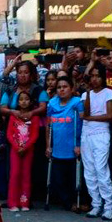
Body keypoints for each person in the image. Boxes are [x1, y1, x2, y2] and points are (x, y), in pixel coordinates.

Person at [79, 62, 112, 220]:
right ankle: (96, 204)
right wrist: (87, 93)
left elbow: (109, 115)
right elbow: (85, 112)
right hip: (86, 133)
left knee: (101, 169)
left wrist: (90, 118)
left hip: (101, 134)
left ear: (103, 77)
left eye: (98, 76)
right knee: (89, 171)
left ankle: (109, 205)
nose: (95, 79)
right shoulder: (86, 94)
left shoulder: (108, 93)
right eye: (92, 76)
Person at [45, 75, 82, 212]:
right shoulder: (52, 103)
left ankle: (75, 202)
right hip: (57, 147)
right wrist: (48, 145)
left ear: (72, 89)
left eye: (65, 87)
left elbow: (81, 124)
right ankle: (66, 202)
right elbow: (48, 126)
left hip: (73, 146)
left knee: (74, 177)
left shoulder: (77, 102)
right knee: (59, 179)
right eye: (59, 87)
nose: (62, 90)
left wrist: (79, 144)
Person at [6, 91, 39, 212]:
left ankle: (24, 202)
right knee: (14, 175)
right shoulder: (13, 117)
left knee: (26, 175)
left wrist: (25, 148)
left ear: (30, 102)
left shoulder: (34, 117)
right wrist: (17, 147)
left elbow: (35, 135)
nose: (24, 101)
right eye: (21, 99)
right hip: (15, 150)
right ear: (18, 102)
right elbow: (9, 134)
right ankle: (12, 202)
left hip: (28, 150)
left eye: (26, 99)